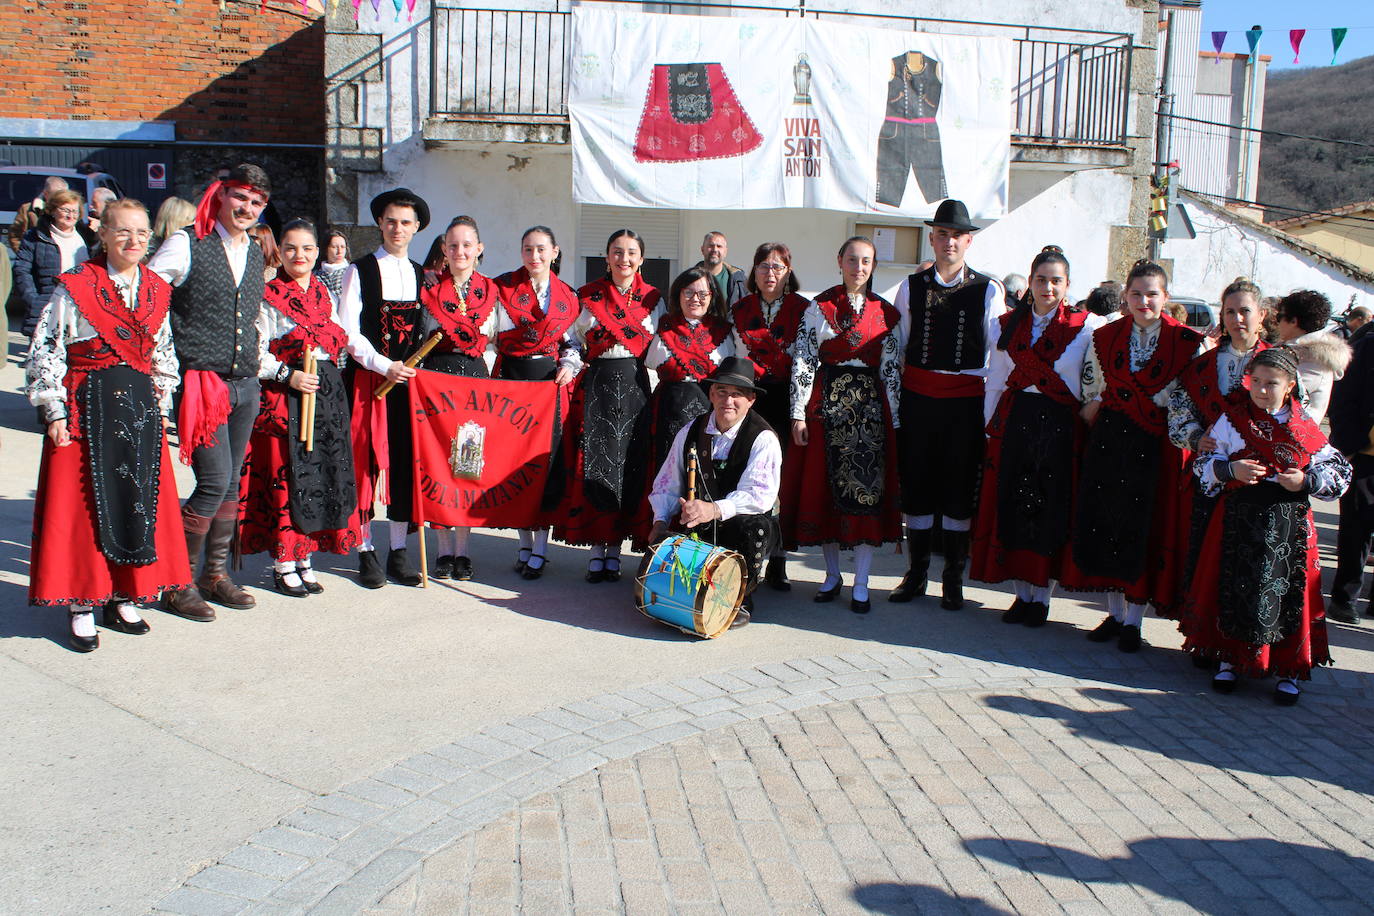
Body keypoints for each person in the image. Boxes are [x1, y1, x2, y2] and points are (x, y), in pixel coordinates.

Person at [26, 198, 189, 651]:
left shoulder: (156, 287)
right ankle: (82, 603)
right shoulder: (74, 287)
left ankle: (122, 596)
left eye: (141, 233)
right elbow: (46, 351)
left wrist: (161, 404)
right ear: (103, 234)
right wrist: (54, 411)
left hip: (138, 415)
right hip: (85, 413)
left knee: (134, 504)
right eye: (123, 232)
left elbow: (164, 355)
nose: (134, 241)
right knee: (85, 512)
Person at [1182, 347, 1351, 704]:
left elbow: (1339, 473)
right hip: (1237, 521)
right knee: (1233, 586)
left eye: (1270, 383)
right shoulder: (1232, 420)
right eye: (1254, 381)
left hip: (1289, 526)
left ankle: (1289, 668)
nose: (1260, 389)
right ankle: (1228, 658)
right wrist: (1230, 470)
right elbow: (1203, 464)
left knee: (1287, 595)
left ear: (1290, 385)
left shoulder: (1304, 428)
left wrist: (1304, 480)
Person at [148, 163, 273, 621]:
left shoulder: (257, 252)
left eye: (257, 202)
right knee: (214, 481)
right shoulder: (187, 242)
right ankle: (175, 583)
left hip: (244, 383)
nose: (247, 208)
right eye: (241, 197)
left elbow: (255, 315)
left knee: (230, 486)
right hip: (202, 383)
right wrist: (164, 365)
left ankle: (213, 576)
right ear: (221, 195)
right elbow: (149, 298)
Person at [1071, 260, 1204, 652]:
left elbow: (1190, 397)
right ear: (1125, 296)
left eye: (1152, 294)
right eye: (1136, 293)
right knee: (1106, 524)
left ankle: (1134, 621)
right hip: (1111, 438)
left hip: (1156, 444)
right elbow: (1092, 386)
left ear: (1165, 297)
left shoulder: (1187, 342)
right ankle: (1114, 614)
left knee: (1142, 529)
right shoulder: (1107, 335)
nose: (1143, 301)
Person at [972, 246, 1104, 627]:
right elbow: (995, 380)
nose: (1048, 287)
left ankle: (1042, 596)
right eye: (1041, 280)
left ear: (1067, 285)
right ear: (1029, 283)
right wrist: (988, 429)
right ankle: (1021, 594)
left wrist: (1090, 409)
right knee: (1013, 504)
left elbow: (1097, 380)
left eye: (1056, 281)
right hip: (1016, 421)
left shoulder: (1086, 325)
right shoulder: (1006, 325)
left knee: (1048, 509)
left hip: (1059, 425)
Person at [889, 199, 1006, 610]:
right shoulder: (911, 286)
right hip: (919, 399)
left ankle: (952, 578)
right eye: (942, 234)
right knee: (918, 484)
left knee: (958, 487)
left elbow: (997, 353)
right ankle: (916, 573)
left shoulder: (988, 289)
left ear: (968, 241)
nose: (949, 242)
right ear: (933, 239)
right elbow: (897, 345)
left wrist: (992, 411)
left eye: (956, 235)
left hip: (964, 403)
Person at [238, 219, 360, 596]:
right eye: (291, 248)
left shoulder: (323, 291)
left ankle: (306, 556)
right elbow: (252, 352)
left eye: (307, 248)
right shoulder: (267, 294)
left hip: (324, 393)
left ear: (317, 252)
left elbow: (340, 335)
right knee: (287, 479)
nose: (299, 255)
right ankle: (284, 560)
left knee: (320, 476)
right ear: (280, 252)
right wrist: (287, 375)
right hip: (284, 394)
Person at [781, 235, 902, 614]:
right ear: (840, 261)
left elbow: (892, 369)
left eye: (866, 261)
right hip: (826, 407)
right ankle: (832, 576)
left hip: (868, 413)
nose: (859, 267)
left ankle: (862, 583)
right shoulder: (820, 307)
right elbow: (803, 360)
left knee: (865, 494)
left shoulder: (886, 313)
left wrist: (894, 419)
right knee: (827, 494)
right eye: (852, 259)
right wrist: (798, 414)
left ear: (873, 266)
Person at [554, 229, 662, 582]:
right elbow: (570, 340)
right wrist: (568, 367)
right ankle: (596, 550)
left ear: (642, 259)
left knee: (628, 466)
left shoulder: (652, 299)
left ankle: (615, 550)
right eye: (617, 252)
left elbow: (662, 345)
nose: (624, 259)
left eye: (631, 252)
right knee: (595, 463)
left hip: (634, 387)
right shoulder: (587, 297)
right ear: (606, 257)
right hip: (597, 384)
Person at [648, 357, 783, 626]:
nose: (728, 401)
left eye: (737, 394)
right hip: (700, 523)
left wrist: (713, 509)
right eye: (722, 392)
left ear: (751, 400)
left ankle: (740, 597)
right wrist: (660, 521)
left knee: (755, 526)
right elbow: (667, 481)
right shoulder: (690, 431)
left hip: (742, 524)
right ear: (711, 394)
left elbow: (758, 495)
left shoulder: (763, 438)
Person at [337, 188, 426, 588]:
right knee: (366, 465)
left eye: (406, 222)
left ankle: (399, 550)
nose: (398, 229)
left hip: (407, 386)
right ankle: (365, 549)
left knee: (405, 465)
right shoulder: (359, 270)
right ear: (380, 223)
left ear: (417, 227)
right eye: (391, 221)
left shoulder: (421, 273)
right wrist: (382, 364)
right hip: (369, 381)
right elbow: (347, 331)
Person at [1167, 279, 1270, 611]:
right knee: (1210, 559)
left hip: (1261, 480)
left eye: (1245, 311)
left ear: (1262, 315)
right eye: (1230, 312)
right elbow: (1179, 412)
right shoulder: (1202, 366)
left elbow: (1299, 419)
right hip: (1214, 476)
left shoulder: (1279, 363)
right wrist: (1197, 438)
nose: (1238, 319)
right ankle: (1207, 638)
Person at [415, 215, 500, 581]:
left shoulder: (492, 292)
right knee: (436, 466)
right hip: (437, 381)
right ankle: (442, 551)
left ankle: (463, 551)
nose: (460, 251)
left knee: (467, 465)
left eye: (467, 244)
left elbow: (500, 340)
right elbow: (419, 338)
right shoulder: (430, 291)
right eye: (453, 245)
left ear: (478, 249)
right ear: (444, 251)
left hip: (475, 382)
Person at [493, 225, 580, 580]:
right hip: (512, 382)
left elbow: (572, 343)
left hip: (546, 386)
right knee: (515, 463)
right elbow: (491, 337)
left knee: (543, 466)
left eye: (542, 249)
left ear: (555, 252)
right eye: (528, 249)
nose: (535, 256)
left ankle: (541, 550)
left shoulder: (566, 297)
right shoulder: (503, 288)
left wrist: (569, 366)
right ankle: (524, 543)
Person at [730, 241, 809, 590]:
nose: (770, 272)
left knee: (783, 481)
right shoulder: (741, 309)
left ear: (788, 271)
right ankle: (747, 555)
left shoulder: (804, 309)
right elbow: (736, 355)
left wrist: (799, 411)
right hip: (751, 399)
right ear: (754, 270)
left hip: (787, 400)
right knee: (748, 475)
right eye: (764, 265)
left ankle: (779, 558)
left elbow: (808, 360)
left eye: (778, 266)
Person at [643, 266, 735, 507]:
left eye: (702, 294)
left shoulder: (723, 333)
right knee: (667, 470)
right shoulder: (664, 328)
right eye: (689, 292)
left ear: (712, 298)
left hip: (709, 412)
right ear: (678, 295)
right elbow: (651, 368)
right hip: (667, 411)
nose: (695, 299)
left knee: (705, 472)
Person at [1325, 326, 1374, 624]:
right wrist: (1348, 446)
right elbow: (1342, 397)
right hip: (1365, 456)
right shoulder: (1367, 346)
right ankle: (1344, 599)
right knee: (1356, 531)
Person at [15, 188, 98, 338]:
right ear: (52, 210)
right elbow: (22, 270)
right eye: (65, 210)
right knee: (44, 357)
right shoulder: (36, 236)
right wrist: (33, 299)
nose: (71, 215)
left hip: (80, 306)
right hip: (47, 305)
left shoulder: (86, 236)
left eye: (75, 211)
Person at [1274, 289, 1350, 425]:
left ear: (1293, 321)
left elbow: (1274, 396)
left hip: (1292, 435)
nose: (1276, 323)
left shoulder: (1314, 359)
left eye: (1279, 317)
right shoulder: (1297, 350)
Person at [693, 231, 747, 308]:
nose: (714, 249)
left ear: (725, 251)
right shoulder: (690, 279)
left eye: (719, 246)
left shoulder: (738, 280)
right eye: (710, 246)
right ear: (702, 250)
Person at [315, 228, 350, 301]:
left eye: (342, 247)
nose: (339, 251)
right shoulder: (315, 276)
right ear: (326, 249)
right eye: (334, 247)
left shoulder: (351, 272)